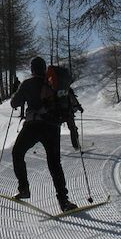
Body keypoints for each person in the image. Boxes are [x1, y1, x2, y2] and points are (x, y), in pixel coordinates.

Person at [10, 56, 77, 211]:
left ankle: (24, 189)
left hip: (33, 127)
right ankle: (64, 202)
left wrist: (16, 92)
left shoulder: (27, 84)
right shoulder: (54, 83)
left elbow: (14, 103)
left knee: (17, 153)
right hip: (53, 127)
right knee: (55, 164)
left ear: (32, 69)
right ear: (45, 68)